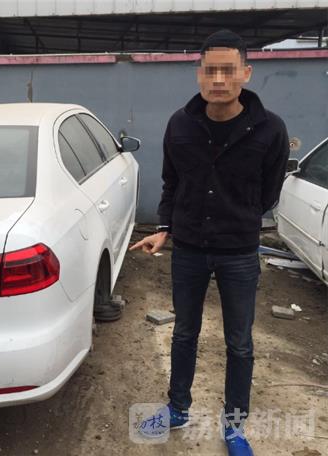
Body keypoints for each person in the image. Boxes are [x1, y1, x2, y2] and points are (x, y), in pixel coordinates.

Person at [130, 29, 290, 456]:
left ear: (246, 73)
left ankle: (234, 426)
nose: (219, 79)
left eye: (228, 70)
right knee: (184, 332)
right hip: (189, 251)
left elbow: (269, 192)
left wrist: (239, 218)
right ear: (199, 73)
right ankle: (177, 409)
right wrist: (165, 227)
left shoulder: (270, 129)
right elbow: (172, 182)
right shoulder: (180, 124)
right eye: (211, 70)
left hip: (239, 253)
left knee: (239, 342)